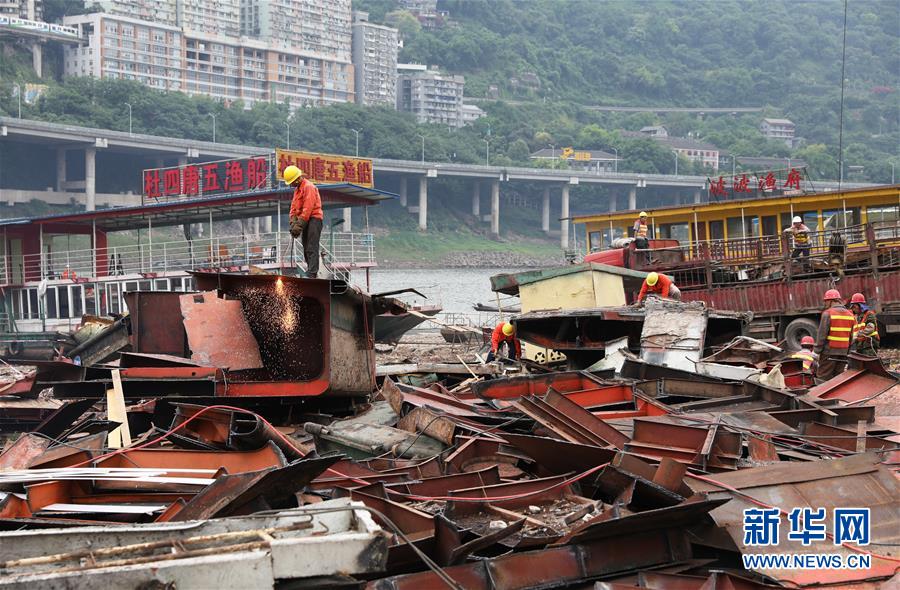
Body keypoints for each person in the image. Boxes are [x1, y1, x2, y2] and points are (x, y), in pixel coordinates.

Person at [284, 165, 323, 278]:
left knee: (311, 246)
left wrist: (299, 225)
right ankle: (309, 271)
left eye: (292, 182)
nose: (291, 185)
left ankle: (312, 273)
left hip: (314, 219)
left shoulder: (309, 187)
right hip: (305, 219)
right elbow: (294, 207)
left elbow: (308, 208)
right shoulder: (297, 190)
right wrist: (293, 222)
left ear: (297, 179)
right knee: (306, 246)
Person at [813, 289, 855, 381]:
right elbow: (851, 337)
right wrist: (847, 351)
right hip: (843, 352)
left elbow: (822, 336)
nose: (825, 303)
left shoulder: (828, 313)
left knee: (823, 377)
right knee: (838, 379)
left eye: (826, 301)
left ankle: (819, 395)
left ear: (831, 300)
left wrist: (816, 351)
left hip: (829, 352)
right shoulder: (850, 315)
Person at [849, 292, 879, 356]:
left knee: (869, 363)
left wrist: (857, 335)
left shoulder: (869, 314)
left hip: (869, 345)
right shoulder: (856, 317)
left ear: (860, 306)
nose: (853, 309)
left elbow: (870, 328)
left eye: (854, 306)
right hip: (860, 346)